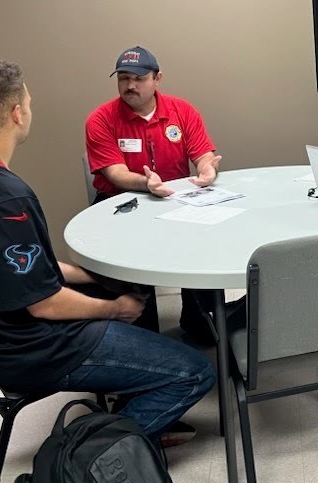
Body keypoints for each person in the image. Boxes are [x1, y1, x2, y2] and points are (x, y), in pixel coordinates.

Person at [0, 58, 215, 442]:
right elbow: (43, 303)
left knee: (114, 287)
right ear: (17, 114)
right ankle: (87, 452)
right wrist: (115, 309)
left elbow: (22, 267)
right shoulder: (7, 198)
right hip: (32, 349)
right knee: (195, 371)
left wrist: (95, 278)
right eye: (29, 103)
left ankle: (131, 391)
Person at [85, 45, 223, 345]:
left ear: (157, 78)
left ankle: (199, 321)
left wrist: (206, 169)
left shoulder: (182, 110)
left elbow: (203, 154)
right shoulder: (101, 119)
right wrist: (145, 183)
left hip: (174, 198)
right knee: (132, 271)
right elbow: (115, 174)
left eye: (139, 78)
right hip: (121, 203)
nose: (130, 85)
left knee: (205, 248)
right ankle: (145, 339)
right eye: (124, 78)